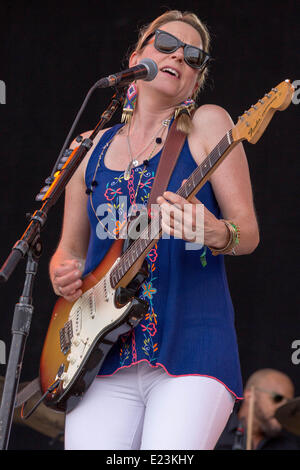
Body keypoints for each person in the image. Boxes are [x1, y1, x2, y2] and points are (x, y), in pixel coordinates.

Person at [49, 10, 260, 450]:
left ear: (194, 80)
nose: (179, 55)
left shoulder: (208, 125)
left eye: (194, 56)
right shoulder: (88, 147)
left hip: (193, 347)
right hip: (102, 356)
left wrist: (217, 231)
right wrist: (63, 271)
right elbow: (67, 252)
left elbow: (248, 232)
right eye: (165, 43)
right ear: (137, 57)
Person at [215, 368, 300, 450]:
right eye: (277, 399)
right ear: (249, 395)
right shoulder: (216, 431)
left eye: (287, 403)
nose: (283, 408)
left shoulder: (289, 445)